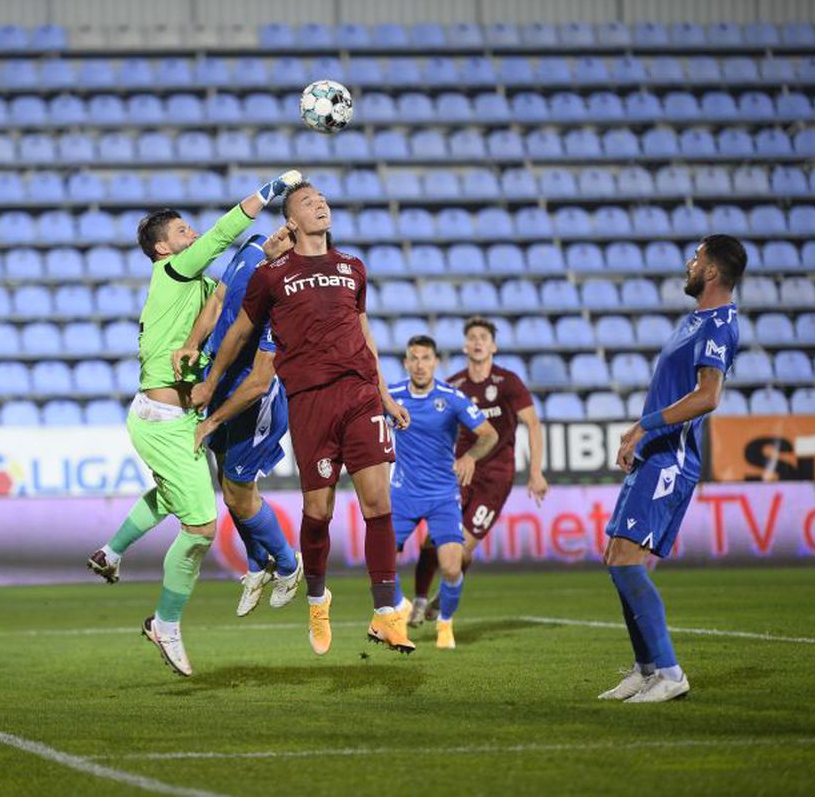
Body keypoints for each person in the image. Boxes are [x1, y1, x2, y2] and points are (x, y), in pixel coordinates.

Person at [86, 169, 302, 677]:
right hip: (163, 417)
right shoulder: (176, 272)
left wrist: (270, 258)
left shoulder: (201, 284)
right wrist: (272, 190)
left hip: (177, 416)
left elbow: (231, 300)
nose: (193, 236)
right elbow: (225, 234)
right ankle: (166, 622)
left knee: (170, 493)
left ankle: (110, 552)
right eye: (183, 232)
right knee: (201, 526)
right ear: (164, 250)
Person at [191, 181, 415, 656]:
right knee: (319, 514)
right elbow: (237, 333)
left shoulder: (353, 267)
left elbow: (364, 335)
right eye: (309, 203)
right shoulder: (274, 274)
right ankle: (317, 598)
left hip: (358, 396)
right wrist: (210, 383)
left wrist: (385, 396)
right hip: (310, 401)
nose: (321, 207)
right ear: (291, 220)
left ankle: (386, 614)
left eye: (324, 201)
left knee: (378, 504)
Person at [599, 234, 745, 703]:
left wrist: (643, 427)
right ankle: (646, 670)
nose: (690, 263)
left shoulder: (719, 324)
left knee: (625, 560)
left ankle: (670, 672)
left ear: (713, 272)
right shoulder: (694, 320)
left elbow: (709, 396)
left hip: (671, 457)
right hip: (653, 455)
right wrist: (640, 437)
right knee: (617, 560)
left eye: (697, 257)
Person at [174, 231, 303, 617]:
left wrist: (210, 421)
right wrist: (194, 343)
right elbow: (217, 299)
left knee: (239, 495)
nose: (280, 235)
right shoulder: (253, 246)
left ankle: (287, 565)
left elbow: (260, 381)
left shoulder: (285, 303)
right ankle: (254, 565)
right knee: (230, 490)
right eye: (283, 227)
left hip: (252, 402)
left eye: (291, 237)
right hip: (219, 382)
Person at [410, 316, 548, 624]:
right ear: (465, 345)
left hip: (496, 477)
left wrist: (535, 472)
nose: (477, 341)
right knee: (432, 539)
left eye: (483, 337)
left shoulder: (508, 382)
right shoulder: (455, 384)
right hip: (459, 470)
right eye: (472, 336)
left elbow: (533, 424)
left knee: (459, 550)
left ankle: (441, 597)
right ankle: (420, 600)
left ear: (493, 346)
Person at [387, 335, 497, 650]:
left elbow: (489, 435)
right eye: (414, 358)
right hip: (403, 493)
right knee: (380, 559)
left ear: (436, 362)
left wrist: (469, 457)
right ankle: (402, 607)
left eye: (426, 358)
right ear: (406, 363)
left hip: (442, 496)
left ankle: (445, 623)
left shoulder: (452, 398)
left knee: (451, 566)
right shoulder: (391, 396)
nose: (420, 365)